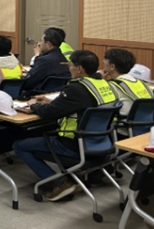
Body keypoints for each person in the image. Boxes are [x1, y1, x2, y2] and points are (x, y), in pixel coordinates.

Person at [13, 50, 119, 201]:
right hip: (101, 142)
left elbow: (50, 113)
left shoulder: (76, 88)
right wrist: (52, 102)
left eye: (71, 65)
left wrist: (33, 106)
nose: (69, 68)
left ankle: (61, 182)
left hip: (73, 144)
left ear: (79, 69)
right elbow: (83, 103)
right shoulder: (103, 84)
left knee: (19, 146)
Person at [101, 48, 153, 116]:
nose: (103, 62)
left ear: (112, 67)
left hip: (121, 121)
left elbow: (102, 107)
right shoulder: (141, 83)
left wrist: (99, 79)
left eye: (105, 60)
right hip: (144, 119)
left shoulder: (112, 85)